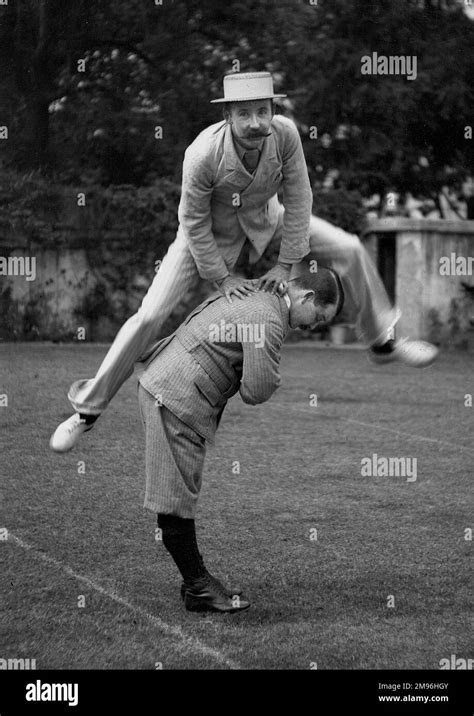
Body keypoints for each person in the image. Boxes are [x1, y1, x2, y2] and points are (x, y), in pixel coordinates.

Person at [50, 71, 438, 453]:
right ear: (228, 116)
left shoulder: (286, 135)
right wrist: (221, 278)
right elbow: (193, 221)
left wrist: (285, 264)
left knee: (350, 247)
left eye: (262, 111)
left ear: (273, 111)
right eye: (244, 114)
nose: (255, 123)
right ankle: (87, 410)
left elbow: (299, 198)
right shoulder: (201, 154)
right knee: (149, 315)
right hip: (207, 236)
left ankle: (382, 342)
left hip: (267, 220)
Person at [138, 266, 344, 613]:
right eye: (319, 317)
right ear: (307, 297)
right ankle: (198, 586)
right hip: (174, 393)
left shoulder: (258, 293)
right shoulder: (268, 316)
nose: (314, 326)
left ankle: (196, 583)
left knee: (178, 489)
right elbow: (256, 390)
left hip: (167, 380)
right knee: (175, 494)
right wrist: (270, 374)